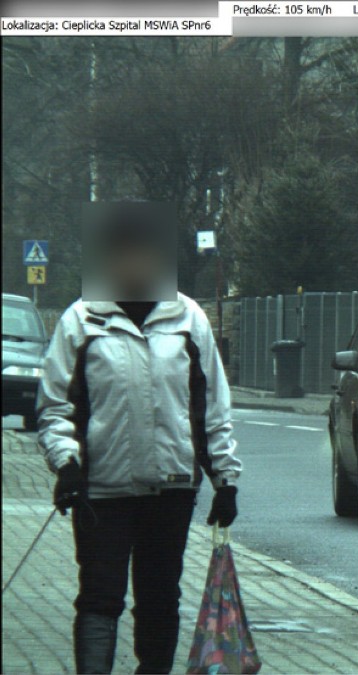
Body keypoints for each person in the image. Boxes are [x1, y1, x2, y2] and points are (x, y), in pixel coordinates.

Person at [37, 202, 242, 674]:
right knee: (100, 597)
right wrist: (66, 462)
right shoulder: (82, 321)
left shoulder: (188, 320)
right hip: (100, 493)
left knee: (159, 599)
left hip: (170, 490)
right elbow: (55, 406)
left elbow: (213, 407)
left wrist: (225, 480)